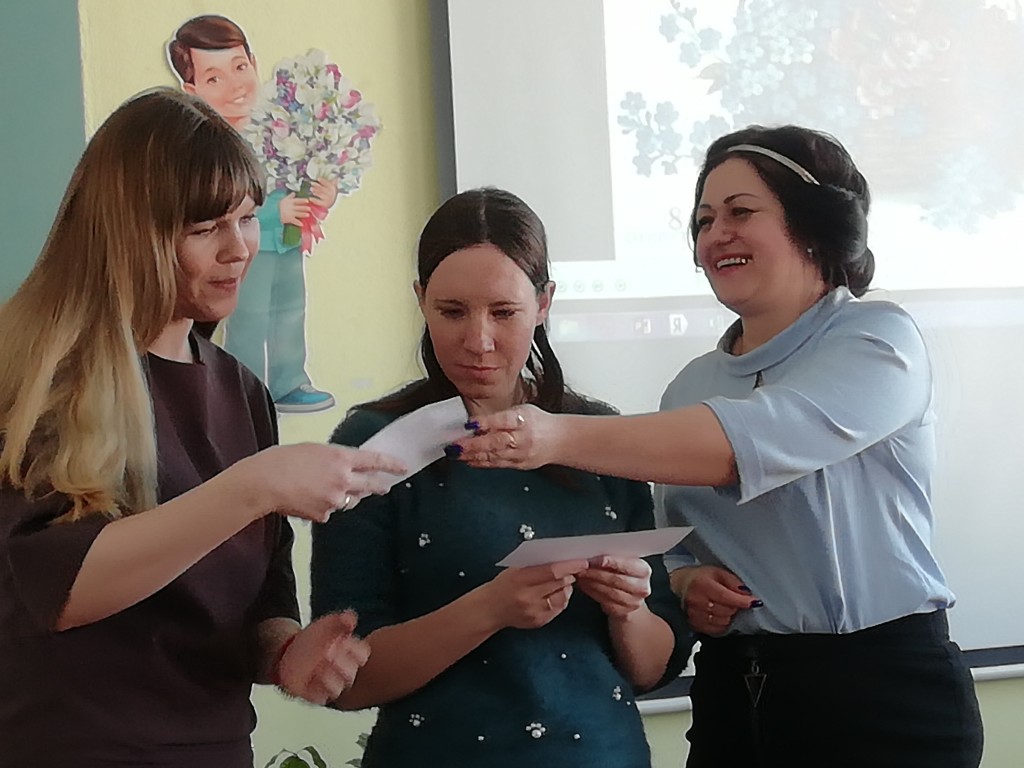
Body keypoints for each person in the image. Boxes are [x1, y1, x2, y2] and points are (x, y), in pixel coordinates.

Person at [450, 127, 984, 767]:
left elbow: (740, 446)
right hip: (736, 692)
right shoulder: (690, 386)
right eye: (705, 220)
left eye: (741, 212)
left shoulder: (877, 339)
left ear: (812, 226)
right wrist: (687, 580)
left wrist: (552, 434)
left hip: (882, 692)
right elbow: (679, 538)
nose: (717, 235)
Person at [0, 88, 404, 767]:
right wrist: (253, 487)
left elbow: (260, 600)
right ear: (134, 233)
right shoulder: (44, 380)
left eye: (246, 219)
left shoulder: (242, 391)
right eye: (204, 228)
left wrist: (287, 654)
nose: (238, 249)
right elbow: (59, 587)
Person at [310, 188, 691, 768]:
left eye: (504, 313)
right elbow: (344, 676)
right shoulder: (376, 445)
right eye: (452, 312)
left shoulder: (597, 436)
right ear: (420, 300)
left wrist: (628, 610)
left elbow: (653, 668)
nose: (478, 341)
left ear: (544, 303)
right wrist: (488, 609)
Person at [169, 14, 339, 413]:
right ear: (192, 89)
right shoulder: (209, 148)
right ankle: (244, 387)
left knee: (291, 309)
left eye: (240, 67)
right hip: (247, 249)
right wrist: (275, 212)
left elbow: (298, 175)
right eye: (214, 78)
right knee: (250, 316)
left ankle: (289, 380)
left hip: (287, 243)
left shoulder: (282, 128)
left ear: (255, 64)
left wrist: (321, 195)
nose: (235, 85)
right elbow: (219, 211)